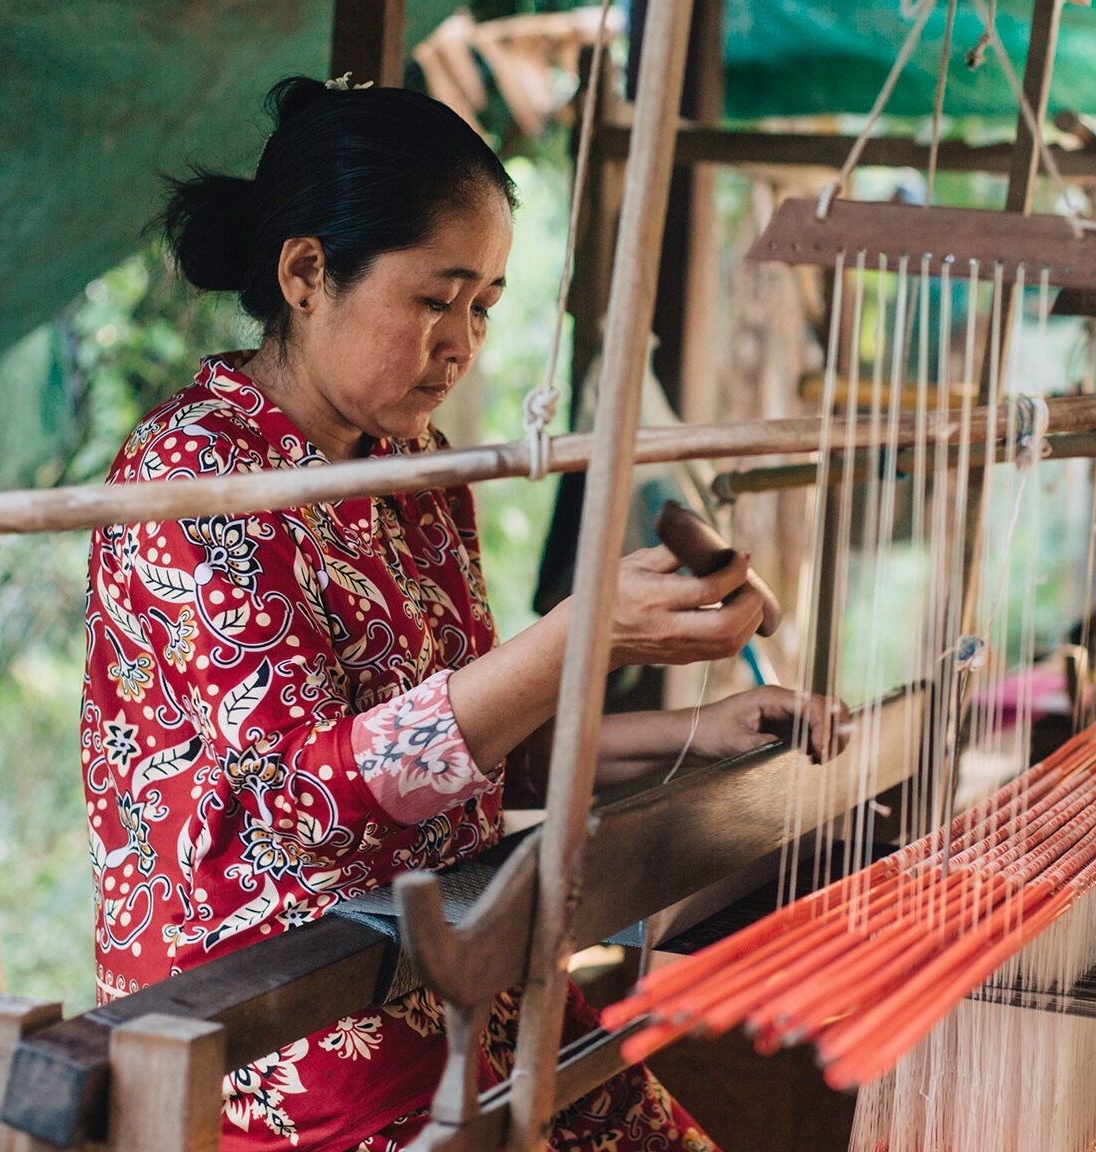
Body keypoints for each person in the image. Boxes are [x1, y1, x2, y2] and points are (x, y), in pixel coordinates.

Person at [82, 76, 842, 1152]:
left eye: (482, 306)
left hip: (459, 975)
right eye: (435, 300)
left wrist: (690, 735)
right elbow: (313, 805)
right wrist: (584, 633)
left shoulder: (414, 468)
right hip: (283, 1028)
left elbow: (463, 753)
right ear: (307, 274)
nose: (462, 342)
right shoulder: (195, 478)